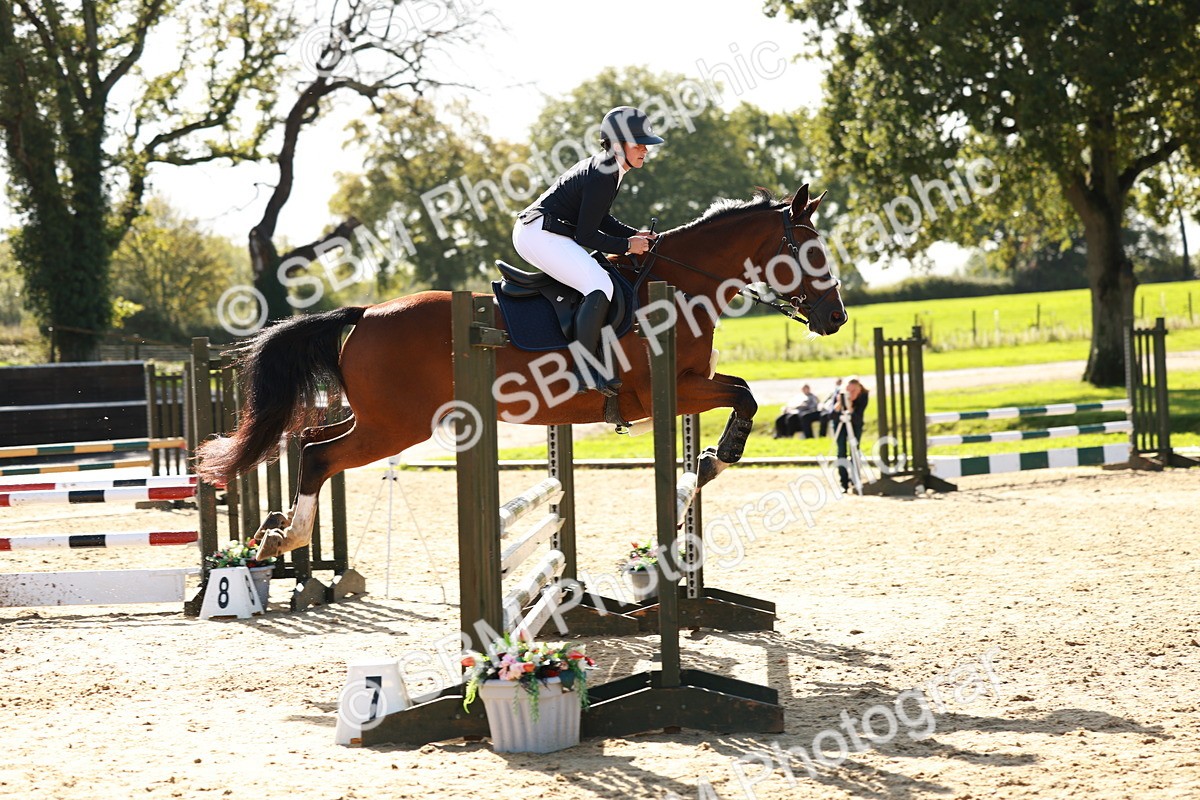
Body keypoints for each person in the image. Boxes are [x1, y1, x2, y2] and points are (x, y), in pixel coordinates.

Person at [512, 106, 663, 396]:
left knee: (600, 281)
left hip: (545, 231)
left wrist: (634, 234)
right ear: (617, 144)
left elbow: (601, 220)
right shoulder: (604, 172)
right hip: (538, 233)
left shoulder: (609, 167)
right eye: (638, 143)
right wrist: (627, 246)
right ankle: (582, 369)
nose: (645, 149)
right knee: (600, 284)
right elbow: (586, 235)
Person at [833, 377, 869, 492]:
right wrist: (839, 403)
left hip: (855, 424)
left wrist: (850, 406)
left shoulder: (863, 395)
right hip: (840, 423)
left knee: (854, 450)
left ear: (859, 389)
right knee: (841, 451)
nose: (851, 394)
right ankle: (843, 482)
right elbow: (831, 415)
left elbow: (858, 417)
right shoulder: (839, 393)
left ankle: (855, 480)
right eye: (849, 391)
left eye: (854, 391)